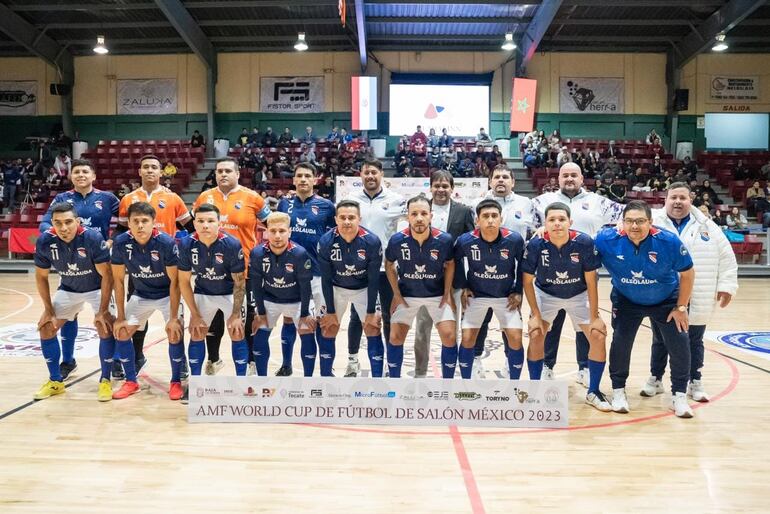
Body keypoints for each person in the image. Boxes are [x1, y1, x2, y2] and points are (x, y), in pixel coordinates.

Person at [595, 200, 695, 418]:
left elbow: (687, 272)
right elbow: (580, 244)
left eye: (640, 221)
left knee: (679, 343)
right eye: (629, 221)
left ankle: (679, 395)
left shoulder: (668, 241)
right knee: (621, 342)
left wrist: (681, 306)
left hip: (666, 299)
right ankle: (619, 391)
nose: (634, 226)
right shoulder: (606, 239)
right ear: (622, 223)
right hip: (626, 299)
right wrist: (544, 229)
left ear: (650, 222)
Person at [644, 183, 738, 402]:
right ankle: (655, 378)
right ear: (665, 199)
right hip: (662, 293)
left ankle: (694, 381)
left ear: (691, 200)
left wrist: (727, 286)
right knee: (660, 339)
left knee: (694, 340)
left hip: (699, 292)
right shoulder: (652, 222)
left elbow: (727, 257)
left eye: (682, 198)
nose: (678, 202)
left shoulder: (708, 226)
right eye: (673, 197)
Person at [532, 162, 623, 384]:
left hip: (584, 273)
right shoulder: (541, 202)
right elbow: (522, 222)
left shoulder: (598, 202)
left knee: (584, 326)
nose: (570, 179)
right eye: (565, 175)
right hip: (550, 273)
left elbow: (625, 216)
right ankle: (547, 365)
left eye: (574, 175)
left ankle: (584, 367)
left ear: (582, 179)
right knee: (550, 325)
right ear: (558, 178)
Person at [521, 202, 611, 411]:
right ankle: (534, 391)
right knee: (535, 333)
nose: (557, 224)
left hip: (579, 294)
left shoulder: (584, 242)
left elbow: (591, 280)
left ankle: (594, 391)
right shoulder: (535, 245)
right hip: (546, 294)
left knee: (598, 334)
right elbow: (527, 281)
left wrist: (595, 315)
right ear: (545, 223)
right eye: (552, 220)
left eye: (561, 219)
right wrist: (534, 314)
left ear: (570, 222)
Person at [38, 158, 120, 380]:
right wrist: (61, 234)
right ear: (70, 176)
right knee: (68, 314)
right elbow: (45, 224)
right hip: (71, 259)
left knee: (107, 316)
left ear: (94, 176)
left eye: (85, 171)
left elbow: (124, 223)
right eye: (76, 172)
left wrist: (111, 240)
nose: (81, 175)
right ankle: (68, 360)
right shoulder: (62, 199)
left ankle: (115, 360)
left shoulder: (108, 198)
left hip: (98, 259)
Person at [192, 157, 272, 376]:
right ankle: (214, 360)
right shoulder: (204, 197)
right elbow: (197, 224)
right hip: (210, 270)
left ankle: (251, 363)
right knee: (213, 321)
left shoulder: (252, 198)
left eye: (228, 170)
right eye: (219, 171)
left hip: (244, 269)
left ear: (238, 173)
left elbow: (272, 223)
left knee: (244, 320)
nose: (223, 174)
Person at [117, 154, 192, 375]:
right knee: (138, 316)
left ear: (161, 172)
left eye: (154, 167)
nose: (150, 170)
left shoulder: (173, 198)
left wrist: (186, 251)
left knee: (175, 317)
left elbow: (188, 227)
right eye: (146, 167)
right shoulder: (128, 199)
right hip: (138, 266)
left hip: (167, 265)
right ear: (139, 171)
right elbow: (122, 231)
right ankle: (138, 356)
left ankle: (182, 362)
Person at [32, 202, 114, 401]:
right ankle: (55, 381)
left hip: (96, 288)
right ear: (52, 223)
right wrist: (48, 310)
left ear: (78, 222)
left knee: (105, 326)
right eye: (58, 223)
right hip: (69, 289)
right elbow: (41, 277)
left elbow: (108, 276)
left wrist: (102, 310)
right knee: (46, 327)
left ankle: (105, 380)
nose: (63, 228)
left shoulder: (92, 238)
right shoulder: (45, 241)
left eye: (68, 222)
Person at [110, 202, 184, 401]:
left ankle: (176, 381)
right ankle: (131, 382)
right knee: (122, 331)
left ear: (153, 223)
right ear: (130, 224)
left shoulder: (166, 243)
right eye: (136, 221)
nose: (140, 225)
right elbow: (118, 280)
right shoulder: (120, 242)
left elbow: (175, 283)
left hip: (167, 294)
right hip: (141, 294)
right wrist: (120, 316)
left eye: (145, 221)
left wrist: (174, 317)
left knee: (174, 331)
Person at [341, 159, 406, 377]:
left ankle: (389, 362)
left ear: (381, 175)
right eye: (366, 172)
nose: (370, 176)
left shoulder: (396, 200)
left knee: (388, 315)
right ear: (361, 175)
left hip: (386, 269)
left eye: (374, 172)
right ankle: (352, 361)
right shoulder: (351, 199)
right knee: (357, 316)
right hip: (357, 268)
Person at [177, 204, 248, 402]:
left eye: (210, 221)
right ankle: (196, 383)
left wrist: (235, 314)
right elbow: (183, 282)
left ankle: (241, 382)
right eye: (200, 221)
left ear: (219, 223)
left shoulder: (232, 244)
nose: (205, 225)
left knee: (237, 331)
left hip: (229, 293)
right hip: (203, 292)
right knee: (197, 331)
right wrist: (195, 314)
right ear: (194, 223)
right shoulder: (185, 244)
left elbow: (240, 282)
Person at [411, 171, 475, 378]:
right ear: (430, 187)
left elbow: (471, 246)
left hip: (453, 282)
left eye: (445, 186)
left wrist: (467, 283)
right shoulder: (420, 209)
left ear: (452, 188)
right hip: (424, 282)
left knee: (450, 331)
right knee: (422, 331)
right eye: (437, 185)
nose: (440, 189)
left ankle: (449, 373)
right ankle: (420, 373)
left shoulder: (463, 212)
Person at [385, 195, 457, 378]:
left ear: (431, 216)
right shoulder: (396, 240)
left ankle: (447, 384)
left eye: (423, 213)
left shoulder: (444, 240)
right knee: (395, 337)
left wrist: (447, 292)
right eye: (414, 213)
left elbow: (450, 264)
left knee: (449, 336)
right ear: (407, 216)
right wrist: (396, 293)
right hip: (407, 294)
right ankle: (394, 381)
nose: (419, 218)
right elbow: (389, 264)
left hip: (436, 294)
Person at [275, 163, 336, 376]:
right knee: (290, 318)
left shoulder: (327, 206)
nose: (302, 179)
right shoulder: (284, 205)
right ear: (293, 180)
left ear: (315, 179)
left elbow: (333, 238)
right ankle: (286, 364)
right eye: (299, 175)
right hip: (290, 272)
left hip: (318, 273)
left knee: (321, 321)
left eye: (307, 176)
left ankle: (326, 371)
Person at [454, 199, 525, 379]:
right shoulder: (466, 240)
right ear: (478, 220)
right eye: (485, 216)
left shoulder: (514, 239)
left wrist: (518, 290)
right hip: (476, 296)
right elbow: (454, 261)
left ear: (501, 219)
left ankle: (514, 381)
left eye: (494, 216)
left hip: (505, 296)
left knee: (516, 338)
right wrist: (463, 285)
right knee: (468, 337)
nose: (490, 220)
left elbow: (523, 265)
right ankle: (466, 380)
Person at [318, 201, 384, 377]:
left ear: (359, 219)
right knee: (328, 326)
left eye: (351, 217)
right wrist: (330, 311)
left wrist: (371, 311)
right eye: (343, 218)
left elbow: (373, 279)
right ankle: (326, 376)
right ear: (336, 219)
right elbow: (325, 278)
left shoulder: (371, 241)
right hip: (336, 287)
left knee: (373, 326)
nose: (347, 221)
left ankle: (378, 377)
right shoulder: (326, 241)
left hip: (363, 288)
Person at [249, 212, 315, 376]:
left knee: (307, 332)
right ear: (266, 232)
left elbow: (305, 287)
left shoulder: (300, 253)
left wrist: (305, 313)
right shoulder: (257, 253)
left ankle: (308, 381)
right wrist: (261, 312)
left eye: (282, 231)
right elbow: (256, 286)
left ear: (289, 232)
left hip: (298, 301)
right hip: (270, 299)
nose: (277, 236)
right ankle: (262, 380)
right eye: (273, 231)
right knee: (259, 332)